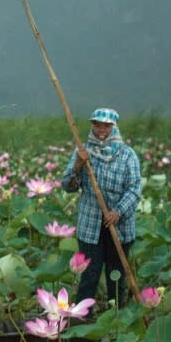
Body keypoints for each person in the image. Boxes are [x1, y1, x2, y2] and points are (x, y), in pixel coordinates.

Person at [61, 108, 142, 309]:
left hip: (119, 226)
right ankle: (82, 318)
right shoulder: (83, 151)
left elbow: (134, 189)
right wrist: (78, 165)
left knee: (116, 275)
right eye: (97, 125)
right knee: (89, 274)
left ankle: (116, 318)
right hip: (90, 225)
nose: (101, 130)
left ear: (114, 127)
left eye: (106, 126)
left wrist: (118, 212)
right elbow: (67, 186)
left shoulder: (127, 155)